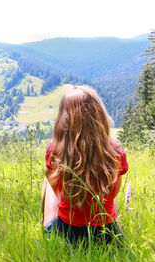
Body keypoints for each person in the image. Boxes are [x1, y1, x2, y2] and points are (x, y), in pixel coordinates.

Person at [41, 86, 128, 244]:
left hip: (66, 235)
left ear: (63, 120)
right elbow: (114, 193)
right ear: (99, 116)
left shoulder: (54, 151)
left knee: (48, 181)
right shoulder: (116, 153)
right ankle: (118, 230)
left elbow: (56, 187)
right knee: (107, 187)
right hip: (107, 237)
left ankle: (44, 224)